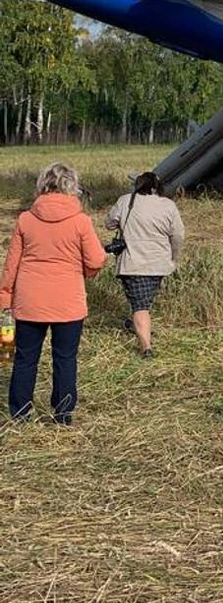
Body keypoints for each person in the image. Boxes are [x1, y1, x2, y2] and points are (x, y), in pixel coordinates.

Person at [0, 162, 106, 424]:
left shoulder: (25, 219)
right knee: (65, 359)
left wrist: (4, 296)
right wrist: (84, 273)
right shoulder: (81, 221)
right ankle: (63, 413)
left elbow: (11, 264)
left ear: (42, 185)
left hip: (29, 300)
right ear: (72, 186)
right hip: (68, 302)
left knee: (25, 359)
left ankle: (21, 414)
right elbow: (95, 259)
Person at [106, 172, 185, 357]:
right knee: (144, 302)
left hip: (133, 263)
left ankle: (146, 348)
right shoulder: (168, 205)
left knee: (140, 306)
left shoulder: (126, 201)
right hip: (159, 263)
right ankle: (137, 326)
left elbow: (109, 224)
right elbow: (178, 235)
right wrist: (174, 257)